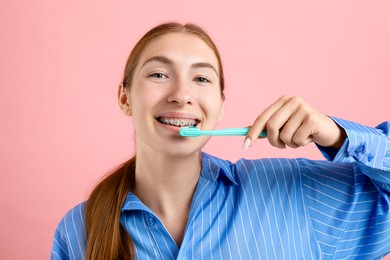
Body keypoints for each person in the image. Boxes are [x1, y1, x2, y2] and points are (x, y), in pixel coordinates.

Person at [50, 22, 390, 260]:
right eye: (158, 74)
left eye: (201, 78)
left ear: (221, 107)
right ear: (125, 98)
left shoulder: (297, 195)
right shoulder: (77, 231)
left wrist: (337, 134)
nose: (182, 95)